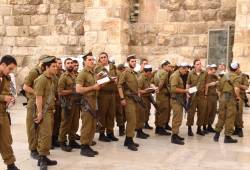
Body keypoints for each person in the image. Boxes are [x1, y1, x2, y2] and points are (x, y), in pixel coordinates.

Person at [33, 56, 58, 169]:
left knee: (48, 134)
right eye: (53, 66)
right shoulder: (41, 79)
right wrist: (39, 113)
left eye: (56, 66)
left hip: (50, 110)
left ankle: (45, 156)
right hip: (43, 111)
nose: (56, 68)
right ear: (46, 67)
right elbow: (38, 97)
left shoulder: (51, 78)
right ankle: (42, 158)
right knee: (44, 134)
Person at [76, 52, 100, 157]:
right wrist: (93, 88)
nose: (92, 61)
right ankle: (84, 147)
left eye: (93, 59)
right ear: (85, 62)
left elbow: (95, 85)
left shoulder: (93, 73)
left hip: (94, 101)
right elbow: (78, 89)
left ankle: (88, 144)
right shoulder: (83, 73)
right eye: (89, 60)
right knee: (87, 125)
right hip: (87, 102)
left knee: (92, 125)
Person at [23, 55, 46, 159]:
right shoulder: (34, 72)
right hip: (33, 102)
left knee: (40, 127)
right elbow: (25, 87)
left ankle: (39, 147)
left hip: (41, 102)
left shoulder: (44, 72)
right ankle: (33, 149)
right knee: (32, 127)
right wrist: (37, 93)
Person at [213, 62, 241, 143]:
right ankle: (227, 137)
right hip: (230, 98)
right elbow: (236, 88)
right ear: (237, 69)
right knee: (230, 117)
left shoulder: (224, 76)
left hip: (222, 98)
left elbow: (218, 88)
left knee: (221, 116)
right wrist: (238, 97)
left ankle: (217, 134)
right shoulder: (236, 77)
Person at [0, 55, 19, 170]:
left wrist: (11, 98)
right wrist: (3, 98)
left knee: (7, 140)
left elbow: (10, 92)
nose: (11, 71)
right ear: (2, 65)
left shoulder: (7, 78)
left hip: (3, 113)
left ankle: (11, 165)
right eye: (10, 69)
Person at [58, 58, 81, 152]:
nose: (70, 65)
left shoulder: (76, 75)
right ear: (65, 65)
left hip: (76, 103)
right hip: (68, 104)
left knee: (75, 123)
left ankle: (72, 140)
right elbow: (60, 92)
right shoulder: (63, 76)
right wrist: (72, 91)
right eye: (68, 63)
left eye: (71, 63)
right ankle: (62, 142)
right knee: (65, 124)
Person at [118, 54, 140, 151]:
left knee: (134, 120)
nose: (134, 63)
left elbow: (136, 86)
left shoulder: (135, 73)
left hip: (134, 99)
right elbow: (119, 85)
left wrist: (138, 93)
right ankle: (129, 141)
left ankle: (128, 140)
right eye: (132, 61)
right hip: (128, 99)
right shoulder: (125, 72)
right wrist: (122, 98)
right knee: (132, 120)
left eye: (135, 61)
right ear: (128, 62)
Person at [95, 52, 119, 142]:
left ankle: (110, 133)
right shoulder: (98, 69)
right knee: (102, 114)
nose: (103, 59)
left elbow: (117, 76)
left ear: (107, 58)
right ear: (99, 59)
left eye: (105, 57)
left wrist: (116, 80)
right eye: (101, 57)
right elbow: (97, 81)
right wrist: (109, 79)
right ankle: (101, 133)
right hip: (103, 94)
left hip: (112, 93)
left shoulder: (113, 67)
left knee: (111, 114)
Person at [186, 59, 207, 136]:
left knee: (201, 113)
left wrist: (206, 95)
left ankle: (199, 129)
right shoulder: (191, 73)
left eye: (200, 64)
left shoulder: (205, 73)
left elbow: (206, 84)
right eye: (197, 64)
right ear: (194, 65)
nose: (199, 65)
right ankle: (189, 128)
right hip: (193, 95)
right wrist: (187, 93)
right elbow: (188, 84)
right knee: (191, 113)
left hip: (201, 96)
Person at [170, 63, 189, 145]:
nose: (186, 71)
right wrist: (185, 91)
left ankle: (176, 134)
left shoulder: (179, 75)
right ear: (181, 68)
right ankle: (174, 137)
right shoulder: (176, 76)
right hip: (175, 100)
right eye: (185, 69)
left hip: (179, 100)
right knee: (176, 118)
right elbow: (173, 89)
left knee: (179, 118)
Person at [153, 60, 172, 136]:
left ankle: (157, 127)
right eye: (168, 66)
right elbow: (162, 82)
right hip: (163, 95)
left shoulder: (157, 72)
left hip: (158, 95)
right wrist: (159, 88)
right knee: (163, 111)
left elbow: (152, 82)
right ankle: (161, 128)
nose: (169, 67)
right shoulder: (164, 72)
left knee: (158, 111)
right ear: (164, 66)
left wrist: (156, 88)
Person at [136, 64, 153, 139]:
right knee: (140, 116)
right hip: (141, 99)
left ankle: (141, 131)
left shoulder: (147, 77)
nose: (150, 74)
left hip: (146, 98)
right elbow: (137, 90)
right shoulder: (141, 78)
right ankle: (139, 132)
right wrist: (145, 91)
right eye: (149, 72)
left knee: (144, 115)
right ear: (146, 72)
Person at [233, 70, 249, 137]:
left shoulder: (243, 76)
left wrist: (237, 85)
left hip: (240, 97)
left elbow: (246, 87)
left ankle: (240, 129)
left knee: (239, 112)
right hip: (231, 97)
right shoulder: (231, 75)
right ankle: (236, 128)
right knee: (233, 113)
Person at [204, 64, 219, 133]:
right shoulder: (207, 76)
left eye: (215, 69)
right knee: (207, 111)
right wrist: (213, 84)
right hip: (209, 96)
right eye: (213, 69)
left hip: (214, 96)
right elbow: (205, 85)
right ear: (210, 69)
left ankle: (209, 126)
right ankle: (204, 126)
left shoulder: (215, 76)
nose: (215, 70)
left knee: (213, 111)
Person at [116, 64, 126, 136]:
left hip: (117, 95)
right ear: (122, 69)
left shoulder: (117, 73)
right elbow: (119, 85)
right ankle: (121, 129)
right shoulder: (120, 74)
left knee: (120, 113)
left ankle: (121, 128)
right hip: (120, 95)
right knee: (120, 113)